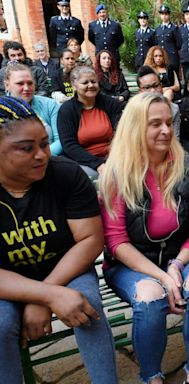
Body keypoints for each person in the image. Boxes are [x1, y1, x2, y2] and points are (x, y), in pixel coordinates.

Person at [0, 96, 118, 384]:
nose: (42, 155)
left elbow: (90, 240)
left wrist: (47, 292)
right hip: (9, 280)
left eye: (43, 143)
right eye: (26, 149)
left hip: (66, 267)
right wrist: (46, 296)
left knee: (85, 303)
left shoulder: (64, 174)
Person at [99, 92, 189, 384]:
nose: (166, 130)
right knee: (150, 297)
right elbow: (116, 242)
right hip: (133, 262)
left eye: (168, 122)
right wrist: (163, 278)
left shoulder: (185, 165)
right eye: (155, 124)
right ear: (136, 127)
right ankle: (152, 377)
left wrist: (176, 266)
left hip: (180, 253)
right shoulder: (118, 172)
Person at [57, 66, 122, 178]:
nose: (91, 85)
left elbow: (121, 134)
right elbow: (69, 145)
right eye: (85, 82)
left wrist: (113, 160)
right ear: (74, 85)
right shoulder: (66, 110)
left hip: (115, 157)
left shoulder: (111, 104)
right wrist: (97, 164)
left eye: (93, 81)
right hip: (84, 161)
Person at [3, 63, 62, 155]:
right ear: (7, 85)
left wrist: (41, 156)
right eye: (20, 83)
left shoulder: (50, 104)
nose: (26, 88)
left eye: (30, 83)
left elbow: (61, 140)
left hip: (50, 159)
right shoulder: (2, 110)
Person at [136, 65, 181, 138]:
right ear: (140, 91)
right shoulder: (134, 111)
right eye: (147, 88)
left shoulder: (173, 109)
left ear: (161, 86)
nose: (153, 91)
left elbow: (175, 140)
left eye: (156, 86)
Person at [155, 4, 182, 78]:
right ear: (160, 15)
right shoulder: (158, 29)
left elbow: (179, 44)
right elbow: (156, 44)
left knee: (174, 79)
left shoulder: (174, 28)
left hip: (172, 59)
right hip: (161, 59)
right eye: (162, 14)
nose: (164, 16)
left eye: (166, 14)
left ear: (169, 15)